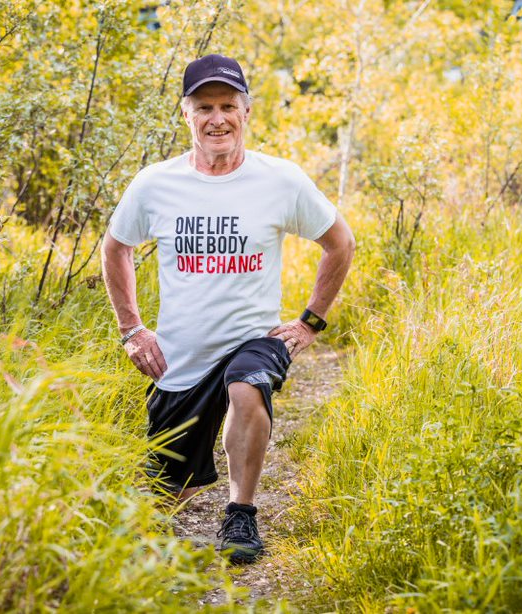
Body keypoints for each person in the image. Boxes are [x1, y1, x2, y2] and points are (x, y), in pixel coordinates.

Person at [101, 53, 355, 564]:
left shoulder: (280, 180)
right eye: (204, 107)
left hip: (253, 338)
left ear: (246, 111)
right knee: (168, 494)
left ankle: (241, 514)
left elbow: (340, 242)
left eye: (227, 106)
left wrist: (310, 322)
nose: (217, 118)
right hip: (179, 356)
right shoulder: (155, 184)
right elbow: (115, 248)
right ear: (186, 114)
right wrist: (132, 329)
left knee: (248, 385)